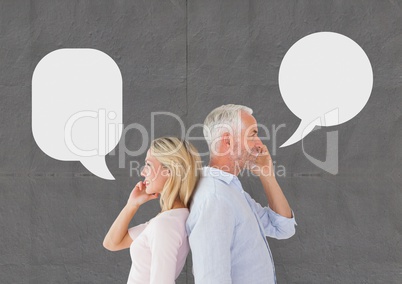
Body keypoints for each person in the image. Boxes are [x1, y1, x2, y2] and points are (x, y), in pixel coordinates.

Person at [186, 104, 296, 284]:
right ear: (227, 141)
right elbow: (212, 279)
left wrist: (267, 175)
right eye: (253, 134)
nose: (260, 144)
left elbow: (283, 228)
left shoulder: (231, 190)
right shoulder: (215, 197)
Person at [103, 137, 201, 284]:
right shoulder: (172, 218)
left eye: (148, 164)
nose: (143, 172)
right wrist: (132, 205)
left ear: (168, 171)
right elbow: (112, 243)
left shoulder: (165, 224)